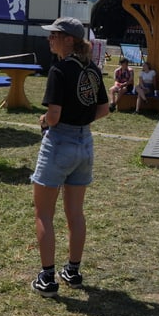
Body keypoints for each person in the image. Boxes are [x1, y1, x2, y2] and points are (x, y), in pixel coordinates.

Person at [31, 17, 110, 297]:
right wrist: (80, 122)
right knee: (75, 214)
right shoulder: (92, 69)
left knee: (43, 213)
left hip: (60, 142)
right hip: (84, 142)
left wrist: (44, 121)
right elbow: (104, 109)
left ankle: (47, 277)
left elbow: (53, 116)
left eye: (54, 35)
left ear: (68, 40)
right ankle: (73, 271)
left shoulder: (60, 70)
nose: (50, 38)